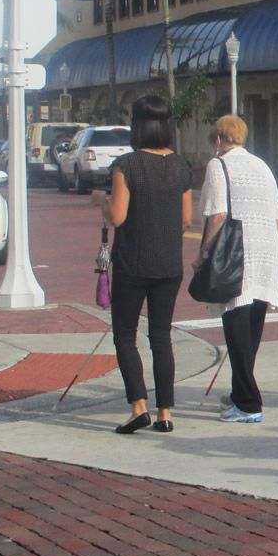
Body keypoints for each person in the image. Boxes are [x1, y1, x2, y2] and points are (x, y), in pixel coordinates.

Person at [94, 94, 193, 435]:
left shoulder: (127, 165)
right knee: (161, 336)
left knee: (125, 334)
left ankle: (138, 407)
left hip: (132, 263)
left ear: (137, 127)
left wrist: (101, 202)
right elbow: (186, 219)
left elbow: (118, 217)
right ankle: (165, 412)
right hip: (169, 264)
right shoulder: (181, 166)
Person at [199, 115, 278, 424]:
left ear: (219, 140)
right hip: (267, 252)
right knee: (251, 329)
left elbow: (218, 214)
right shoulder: (262, 165)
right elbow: (277, 216)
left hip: (237, 254)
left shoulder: (218, 165)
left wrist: (205, 251)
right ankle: (239, 392)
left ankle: (248, 402)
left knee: (236, 326)